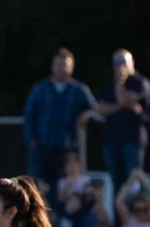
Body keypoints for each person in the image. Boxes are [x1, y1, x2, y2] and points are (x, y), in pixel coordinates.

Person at [23, 48, 96, 200]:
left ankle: (61, 221)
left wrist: (86, 114)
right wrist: (33, 140)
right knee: (38, 187)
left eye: (65, 65)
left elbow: (95, 109)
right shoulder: (40, 89)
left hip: (66, 147)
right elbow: (29, 116)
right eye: (58, 64)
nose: (61, 68)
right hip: (42, 146)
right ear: (53, 66)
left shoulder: (79, 90)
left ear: (71, 67)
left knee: (64, 189)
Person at [96, 49, 150, 195]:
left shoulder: (140, 82)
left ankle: (137, 216)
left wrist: (120, 83)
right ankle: (119, 218)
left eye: (123, 61)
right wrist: (124, 106)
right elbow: (100, 109)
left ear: (131, 62)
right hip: (112, 140)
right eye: (117, 62)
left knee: (133, 184)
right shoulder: (110, 87)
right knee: (117, 185)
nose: (120, 66)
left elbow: (123, 99)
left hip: (133, 140)